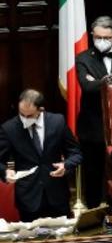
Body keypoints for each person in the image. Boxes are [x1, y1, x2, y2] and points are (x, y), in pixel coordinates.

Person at [76, 15, 112, 208]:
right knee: (93, 173)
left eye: (106, 37)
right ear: (93, 35)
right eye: (98, 37)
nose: (102, 41)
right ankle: (94, 212)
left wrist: (99, 81)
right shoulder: (83, 58)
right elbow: (87, 87)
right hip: (93, 125)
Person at [0, 89, 82, 222]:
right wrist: (5, 171)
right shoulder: (9, 128)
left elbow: (75, 153)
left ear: (41, 110)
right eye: (22, 114)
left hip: (57, 195)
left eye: (29, 115)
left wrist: (66, 165)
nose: (24, 119)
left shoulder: (58, 121)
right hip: (28, 198)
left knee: (62, 240)